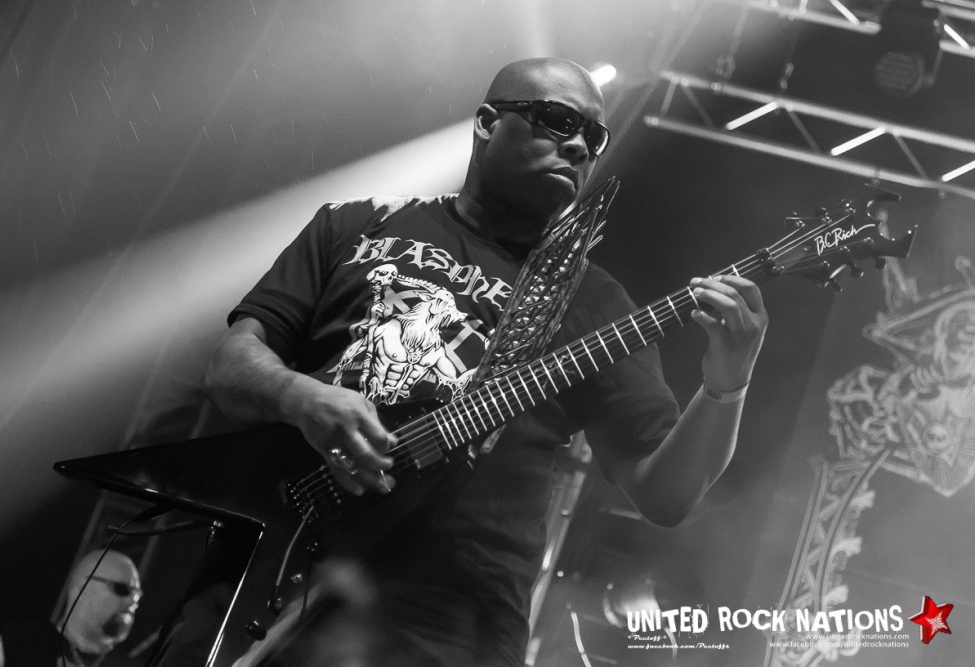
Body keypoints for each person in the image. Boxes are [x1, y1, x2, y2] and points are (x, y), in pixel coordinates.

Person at [197, 56, 768, 665]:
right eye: (557, 120)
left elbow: (667, 496)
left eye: (593, 136)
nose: (578, 145)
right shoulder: (358, 224)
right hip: (274, 564)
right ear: (489, 122)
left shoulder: (597, 303)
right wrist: (301, 397)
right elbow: (230, 369)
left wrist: (727, 383)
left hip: (450, 625)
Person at [0, 550, 141, 667]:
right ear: (82, 586)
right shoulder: (14, 644)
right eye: (122, 589)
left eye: (138, 594)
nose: (132, 600)